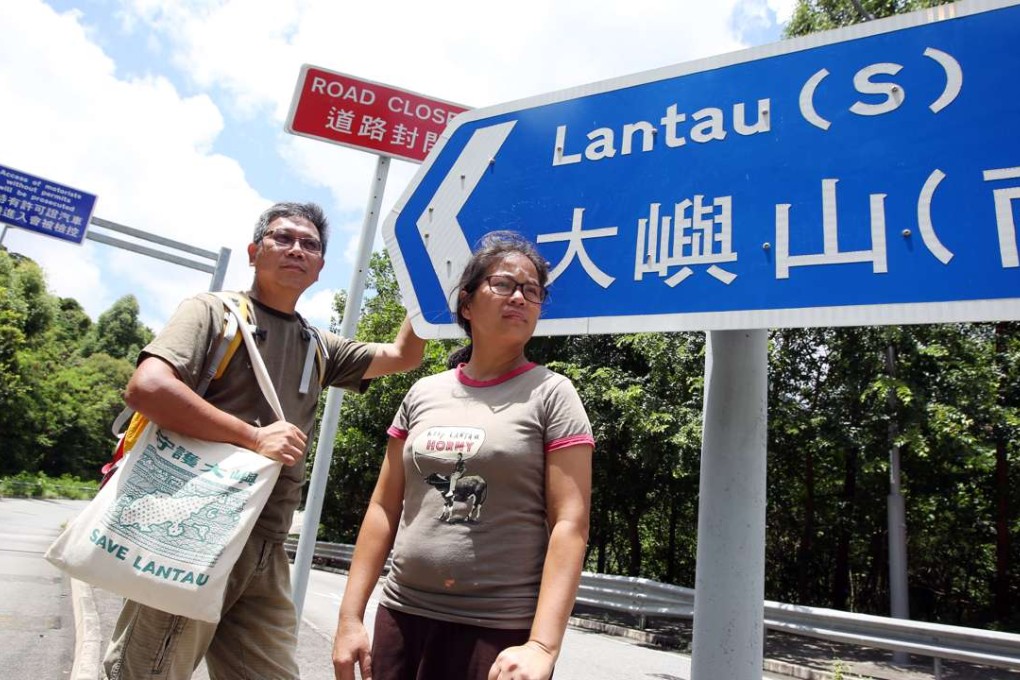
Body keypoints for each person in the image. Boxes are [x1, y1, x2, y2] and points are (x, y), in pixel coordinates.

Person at [102, 202, 425, 680]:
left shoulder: (318, 345)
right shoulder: (212, 313)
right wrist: (253, 437)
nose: (297, 249)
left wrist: (429, 281)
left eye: (310, 245)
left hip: (267, 548)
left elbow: (402, 356)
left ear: (318, 269)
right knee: (147, 673)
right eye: (283, 238)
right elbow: (147, 388)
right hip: (193, 536)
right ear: (255, 252)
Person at [332, 231, 594, 680]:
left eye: (532, 291)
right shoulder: (422, 393)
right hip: (402, 615)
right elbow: (383, 507)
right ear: (467, 304)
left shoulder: (553, 394)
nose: (520, 297)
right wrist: (350, 618)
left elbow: (570, 523)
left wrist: (541, 645)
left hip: (497, 631)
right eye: (504, 284)